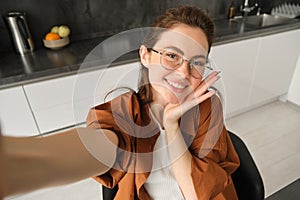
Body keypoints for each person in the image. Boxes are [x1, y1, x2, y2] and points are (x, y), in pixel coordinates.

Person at [0, 5, 239, 200]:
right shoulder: (123, 112)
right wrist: (14, 166)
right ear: (145, 56)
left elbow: (199, 194)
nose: (184, 72)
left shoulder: (208, 107)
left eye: (197, 61)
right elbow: (97, 146)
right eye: (172, 56)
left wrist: (172, 125)